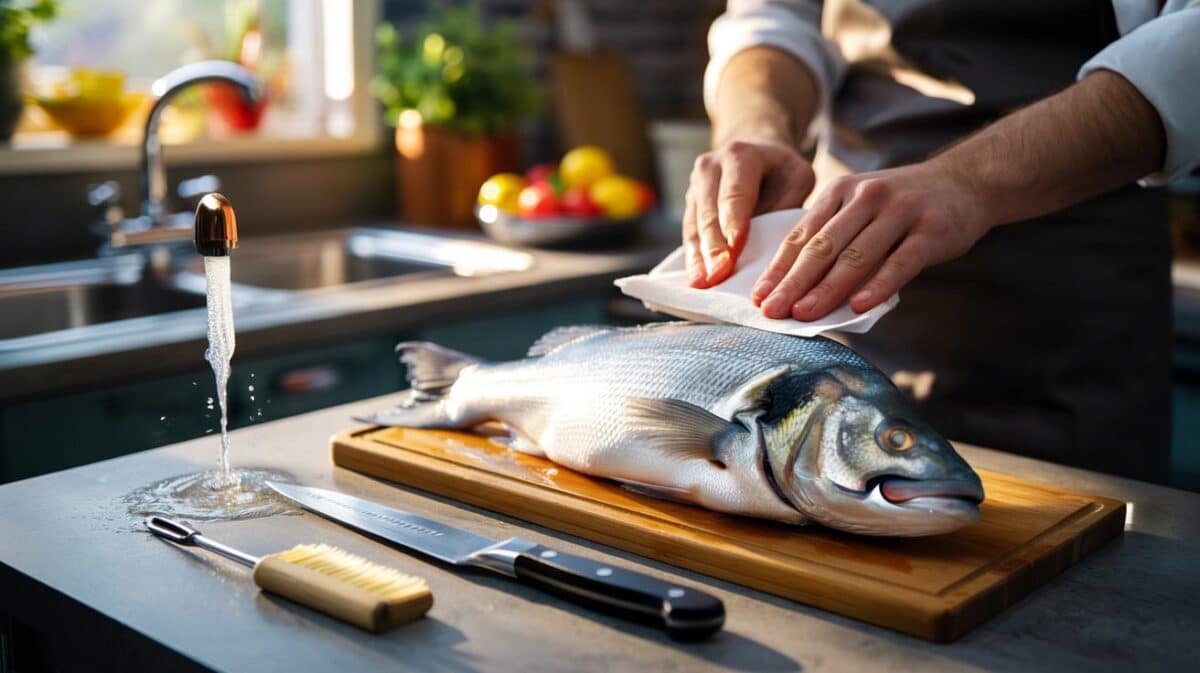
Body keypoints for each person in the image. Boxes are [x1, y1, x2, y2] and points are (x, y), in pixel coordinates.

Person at [687, 0, 1200, 483]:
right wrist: (756, 127)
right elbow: (775, 16)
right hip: (838, 295)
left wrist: (970, 180)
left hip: (1073, 313)